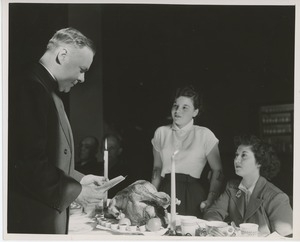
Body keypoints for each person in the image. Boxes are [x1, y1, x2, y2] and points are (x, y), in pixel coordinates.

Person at [8, 27, 107, 234]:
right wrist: (78, 192)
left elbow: (48, 158)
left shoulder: (42, 88)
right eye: (82, 69)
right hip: (32, 222)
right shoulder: (31, 88)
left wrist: (80, 178)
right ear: (62, 55)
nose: (82, 79)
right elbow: (28, 164)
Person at [151, 85, 224, 218]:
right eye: (175, 105)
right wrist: (151, 196)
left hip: (193, 195)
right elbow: (157, 169)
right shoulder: (161, 132)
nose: (178, 110)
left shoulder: (205, 135)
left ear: (195, 112)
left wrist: (211, 199)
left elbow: (217, 170)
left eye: (185, 107)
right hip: (165, 192)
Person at [203, 135, 293, 237]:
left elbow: (287, 237)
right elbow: (213, 212)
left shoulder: (276, 197)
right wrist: (220, 229)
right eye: (236, 155)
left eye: (243, 155)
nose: (236, 160)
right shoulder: (232, 187)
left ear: (259, 162)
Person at [101, 133, 129, 197]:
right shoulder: (94, 168)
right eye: (105, 148)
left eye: (112, 148)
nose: (108, 151)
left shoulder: (124, 173)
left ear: (119, 151)